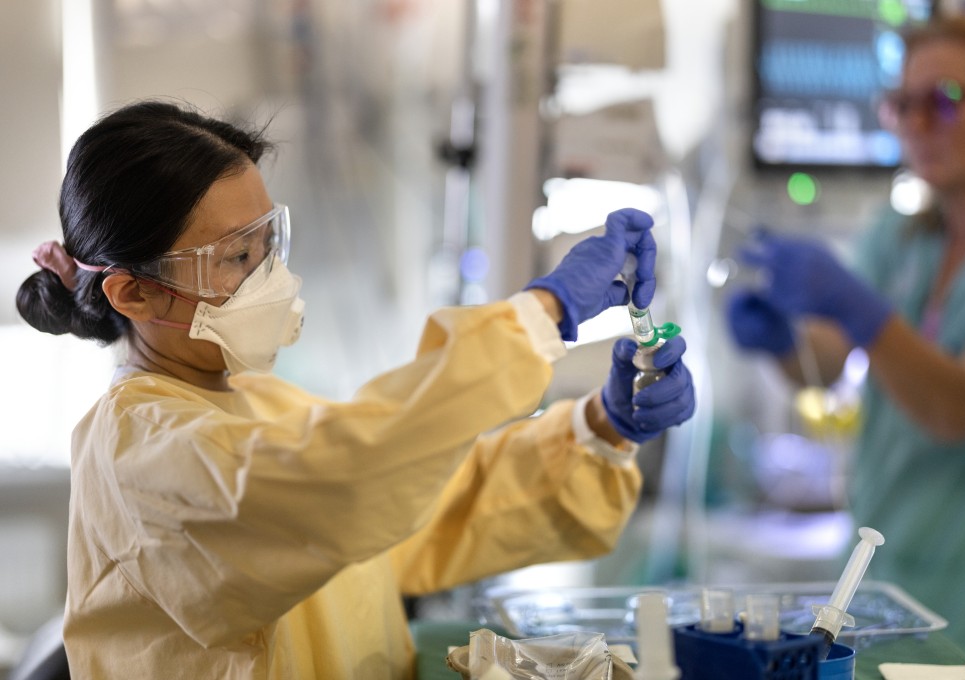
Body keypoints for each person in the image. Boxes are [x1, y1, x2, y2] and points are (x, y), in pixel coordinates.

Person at [15, 100, 695, 679]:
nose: (268, 277)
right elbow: (345, 483)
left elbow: (426, 503)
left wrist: (600, 427)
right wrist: (542, 314)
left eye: (268, 244)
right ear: (133, 292)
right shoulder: (135, 450)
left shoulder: (258, 401)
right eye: (235, 259)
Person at [725, 14, 965, 673]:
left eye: (943, 100)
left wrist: (862, 310)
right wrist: (780, 339)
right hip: (879, 578)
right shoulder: (903, 237)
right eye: (901, 104)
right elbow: (824, 362)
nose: (917, 124)